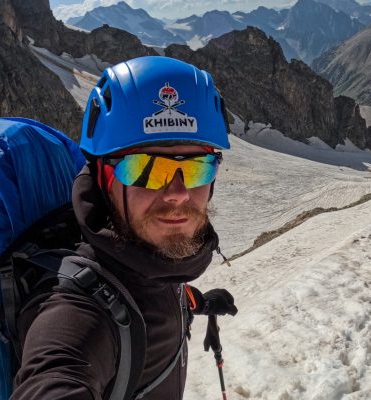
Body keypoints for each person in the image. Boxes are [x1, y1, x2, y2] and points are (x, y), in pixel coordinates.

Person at [12, 56, 238, 399]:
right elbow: (55, 373)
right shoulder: (77, 314)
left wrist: (197, 303)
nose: (177, 194)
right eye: (146, 170)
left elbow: (147, 292)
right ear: (104, 178)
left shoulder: (148, 259)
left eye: (197, 169)